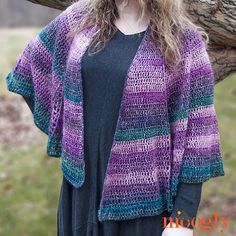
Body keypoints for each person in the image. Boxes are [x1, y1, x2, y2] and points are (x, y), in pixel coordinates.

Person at [6, 0, 225, 236]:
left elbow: (198, 140)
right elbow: (30, 70)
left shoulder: (184, 42)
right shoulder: (80, 18)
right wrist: (67, 133)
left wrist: (182, 221)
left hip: (143, 207)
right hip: (80, 194)